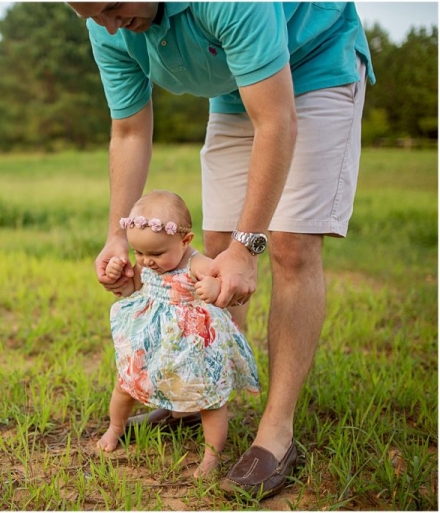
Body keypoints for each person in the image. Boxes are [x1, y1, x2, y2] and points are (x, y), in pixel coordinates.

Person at [67, 1, 375, 499]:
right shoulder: (109, 28)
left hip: (315, 64)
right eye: (89, 15)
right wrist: (117, 237)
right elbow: (128, 131)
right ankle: (196, 394)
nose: (107, 24)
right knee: (214, 253)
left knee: (289, 247)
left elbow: (276, 121)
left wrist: (249, 246)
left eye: (113, 6)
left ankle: (277, 432)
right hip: (238, 82)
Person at [97, 190, 259, 480]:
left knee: (208, 400)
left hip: (191, 348)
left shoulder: (194, 262)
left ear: (185, 241)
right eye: (139, 253)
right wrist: (117, 274)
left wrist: (211, 285)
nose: (146, 261)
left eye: (156, 253)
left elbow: (221, 277)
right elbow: (133, 287)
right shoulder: (146, 263)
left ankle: (212, 456)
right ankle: (116, 428)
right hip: (151, 344)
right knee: (125, 385)